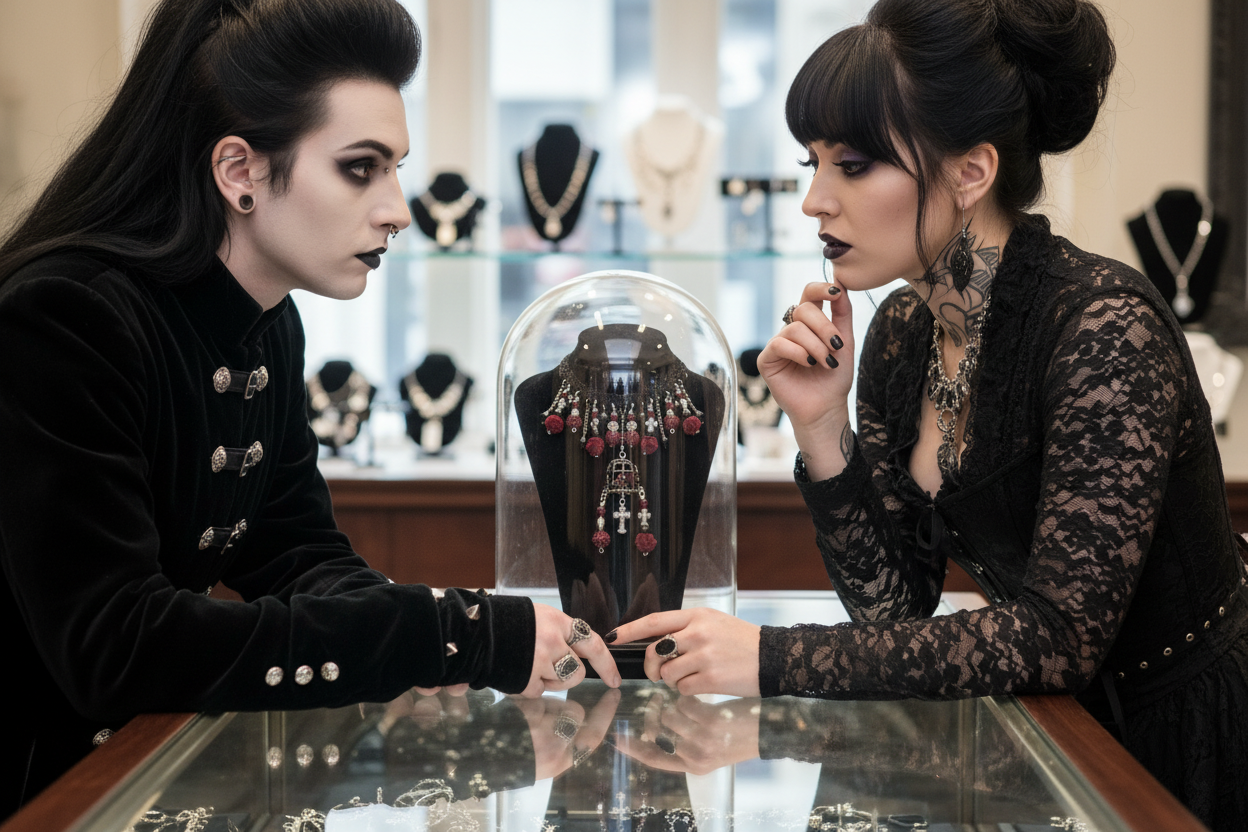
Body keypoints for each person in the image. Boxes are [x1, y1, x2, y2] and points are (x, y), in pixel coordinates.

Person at [608, 0, 1248, 827]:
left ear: (971, 172)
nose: (814, 201)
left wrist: (772, 656)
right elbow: (896, 609)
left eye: (854, 164)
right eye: (811, 163)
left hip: (1181, 743)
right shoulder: (905, 333)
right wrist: (821, 428)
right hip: (1047, 731)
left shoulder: (1102, 327)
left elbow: (1058, 637)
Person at [0, 0, 619, 817]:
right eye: (361, 168)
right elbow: (118, 646)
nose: (398, 208)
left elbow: (293, 551)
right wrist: (446, 633)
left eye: (395, 167)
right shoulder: (65, 318)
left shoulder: (267, 324)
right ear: (240, 172)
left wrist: (425, 650)